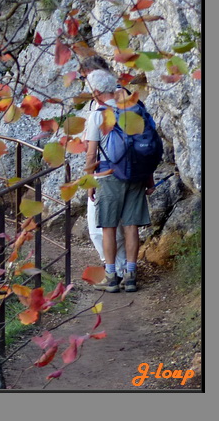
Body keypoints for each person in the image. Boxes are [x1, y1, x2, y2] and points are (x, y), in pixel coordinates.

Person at [83, 69, 155, 293]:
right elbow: (146, 148)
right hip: (136, 175)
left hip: (109, 175)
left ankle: (111, 276)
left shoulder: (98, 115)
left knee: (108, 227)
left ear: (96, 92)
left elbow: (91, 153)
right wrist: (149, 178)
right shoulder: (134, 110)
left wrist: (89, 182)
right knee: (131, 226)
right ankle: (131, 276)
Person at [79, 59, 127, 277]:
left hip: (105, 172)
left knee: (100, 227)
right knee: (124, 225)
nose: (85, 83)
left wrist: (89, 182)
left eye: (85, 77)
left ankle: (114, 270)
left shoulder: (100, 109)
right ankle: (125, 269)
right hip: (129, 170)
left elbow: (91, 151)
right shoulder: (125, 100)